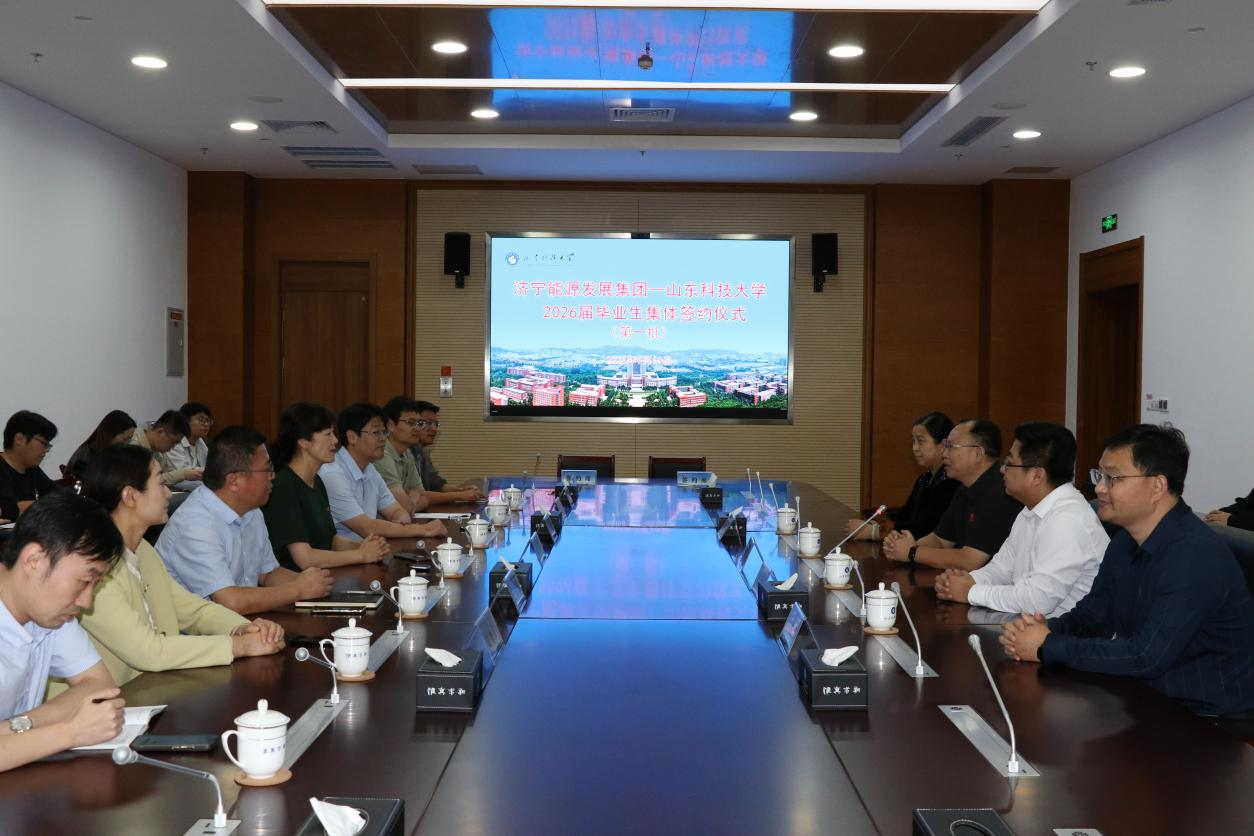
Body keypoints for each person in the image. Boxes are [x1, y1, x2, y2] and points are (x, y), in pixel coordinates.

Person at [1000, 424, 1254, 725]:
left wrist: (1047, 645)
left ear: (1157, 486)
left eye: (1113, 478)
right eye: (1099, 475)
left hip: (1209, 720)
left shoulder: (1194, 556)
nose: (1099, 488)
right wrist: (1042, 631)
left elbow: (1146, 656)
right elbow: (1093, 618)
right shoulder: (1124, 542)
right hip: (1148, 699)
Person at [78, 445, 285, 686]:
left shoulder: (143, 550)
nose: (168, 494)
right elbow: (148, 652)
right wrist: (238, 646)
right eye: (160, 484)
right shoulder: (92, 564)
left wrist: (244, 629)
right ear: (130, 496)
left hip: (150, 689)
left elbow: (192, 610)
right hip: (108, 700)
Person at [0, 493, 126, 773]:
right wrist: (70, 732)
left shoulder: (50, 613)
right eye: (83, 581)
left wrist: (20, 726)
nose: (86, 602)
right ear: (34, 560)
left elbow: (99, 686)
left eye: (95, 584)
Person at [156, 425, 333, 616]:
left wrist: (312, 582)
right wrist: (298, 589)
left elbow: (268, 574)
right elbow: (230, 602)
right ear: (234, 480)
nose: (272, 476)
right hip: (191, 631)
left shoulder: (251, 510)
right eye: (267, 469)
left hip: (241, 624)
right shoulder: (195, 524)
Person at [935, 422, 1108, 617]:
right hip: (1031, 626)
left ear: (1037, 476)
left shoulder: (1067, 520)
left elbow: (1037, 601)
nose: (1002, 470)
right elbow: (1002, 569)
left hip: (1067, 632)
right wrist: (965, 581)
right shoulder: (1031, 509)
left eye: (1009, 463)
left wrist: (970, 592)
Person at [263, 402, 389, 570]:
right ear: (304, 442)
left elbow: (331, 541)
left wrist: (367, 547)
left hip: (323, 577)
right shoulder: (284, 485)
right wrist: (362, 554)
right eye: (328, 434)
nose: (335, 441)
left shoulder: (317, 481)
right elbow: (305, 558)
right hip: (295, 580)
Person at [883, 418, 1022, 570]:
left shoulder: (1001, 491)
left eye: (951, 447)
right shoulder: (965, 488)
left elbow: (970, 560)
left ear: (978, 453)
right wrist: (905, 546)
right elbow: (940, 540)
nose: (944, 454)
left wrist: (912, 553)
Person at [320, 402, 447, 543]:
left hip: (371, 549)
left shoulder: (369, 469)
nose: (383, 438)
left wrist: (400, 524)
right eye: (376, 432)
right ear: (352, 437)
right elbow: (366, 527)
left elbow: (398, 511)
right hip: (342, 554)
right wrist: (422, 529)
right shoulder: (333, 474)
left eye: (384, 432)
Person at [845, 411, 959, 542]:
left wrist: (875, 532)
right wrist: (873, 524)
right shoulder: (925, 478)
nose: (915, 448)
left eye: (920, 441)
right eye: (913, 441)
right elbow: (905, 516)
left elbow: (925, 529)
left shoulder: (950, 482)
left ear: (943, 445)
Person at [408, 401, 485, 504]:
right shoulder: (405, 452)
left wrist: (461, 490)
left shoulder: (422, 451)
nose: (434, 429)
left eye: (436, 424)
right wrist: (460, 495)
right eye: (428, 423)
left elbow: (437, 484)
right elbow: (417, 495)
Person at [374, 396, 433, 515]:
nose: (417, 429)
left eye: (419, 423)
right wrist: (412, 499)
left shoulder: (407, 452)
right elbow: (405, 507)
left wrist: (411, 502)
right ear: (390, 425)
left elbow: (425, 497)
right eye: (411, 423)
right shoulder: (381, 455)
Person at [0, 410, 58, 522]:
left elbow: (55, 494)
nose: (46, 450)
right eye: (44, 443)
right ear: (19, 439)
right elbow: (7, 510)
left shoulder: (31, 468)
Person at [131, 410, 201, 487]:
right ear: (161, 432)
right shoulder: (134, 447)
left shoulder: (158, 449)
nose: (173, 447)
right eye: (173, 442)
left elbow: (165, 474)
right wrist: (183, 474)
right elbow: (147, 482)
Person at [65, 410, 136, 481]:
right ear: (110, 434)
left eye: (130, 439)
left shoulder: (115, 455)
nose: (127, 443)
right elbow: (81, 483)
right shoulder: (86, 453)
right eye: (125, 439)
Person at [163, 402, 212, 491]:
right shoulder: (176, 441)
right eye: (201, 419)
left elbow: (208, 466)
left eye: (208, 420)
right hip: (176, 487)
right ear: (186, 421)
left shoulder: (200, 441)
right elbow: (184, 473)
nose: (206, 424)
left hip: (196, 484)